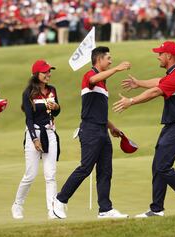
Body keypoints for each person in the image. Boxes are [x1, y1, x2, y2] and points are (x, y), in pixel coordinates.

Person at [113, 41, 175, 217]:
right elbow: (158, 82)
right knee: (158, 166)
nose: (158, 56)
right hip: (172, 126)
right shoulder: (173, 74)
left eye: (160, 53)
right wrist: (139, 83)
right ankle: (157, 209)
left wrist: (131, 101)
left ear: (169, 56)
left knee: (163, 167)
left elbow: (156, 91)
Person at [52, 46, 131, 219]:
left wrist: (112, 127)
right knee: (85, 168)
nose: (111, 61)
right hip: (90, 130)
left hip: (102, 130)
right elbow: (93, 79)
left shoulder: (103, 84)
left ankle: (105, 209)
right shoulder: (89, 75)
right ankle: (59, 200)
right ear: (99, 59)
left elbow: (99, 111)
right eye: (108, 58)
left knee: (105, 171)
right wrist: (117, 69)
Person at [11, 60, 61, 220]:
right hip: (35, 134)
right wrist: (34, 139)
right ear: (36, 75)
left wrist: (57, 108)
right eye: (45, 72)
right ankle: (17, 205)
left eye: (49, 71)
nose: (48, 74)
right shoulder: (28, 94)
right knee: (30, 174)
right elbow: (29, 119)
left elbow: (55, 112)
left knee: (50, 175)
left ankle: (52, 210)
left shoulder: (52, 90)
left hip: (50, 133)